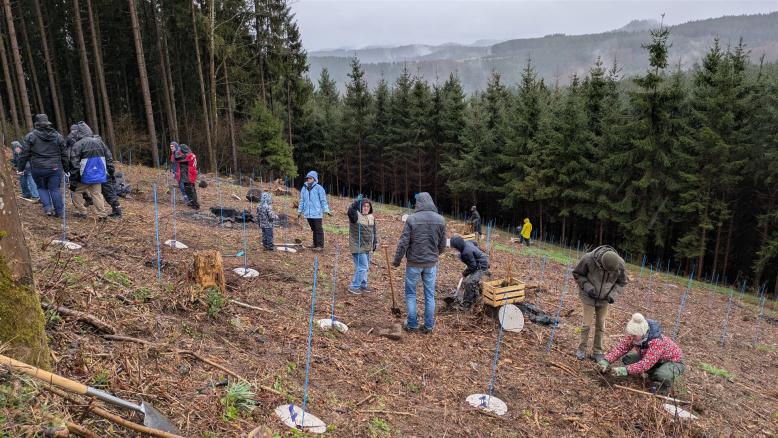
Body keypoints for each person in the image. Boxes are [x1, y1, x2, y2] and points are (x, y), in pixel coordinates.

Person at [392, 192, 446, 333]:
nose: (416, 205)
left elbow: (403, 243)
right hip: (431, 264)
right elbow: (442, 245)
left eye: (416, 202)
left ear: (420, 203)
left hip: (414, 263)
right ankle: (428, 326)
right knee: (429, 295)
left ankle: (412, 324)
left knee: (411, 294)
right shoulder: (440, 220)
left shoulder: (412, 219)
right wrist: (434, 255)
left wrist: (397, 261)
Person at [598, 313, 685, 394]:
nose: (631, 337)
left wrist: (626, 370)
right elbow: (621, 348)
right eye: (631, 335)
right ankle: (654, 372)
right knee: (628, 359)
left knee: (661, 375)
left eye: (634, 336)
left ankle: (663, 384)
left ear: (642, 333)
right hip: (654, 359)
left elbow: (645, 364)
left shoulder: (656, 342)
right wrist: (606, 360)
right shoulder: (634, 335)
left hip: (672, 362)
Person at [573, 245, 627, 361]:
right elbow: (577, 274)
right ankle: (581, 348)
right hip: (588, 296)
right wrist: (587, 287)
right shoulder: (588, 259)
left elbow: (622, 282)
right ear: (601, 264)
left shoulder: (620, 264)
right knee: (586, 324)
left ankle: (597, 351)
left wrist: (613, 295)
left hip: (604, 299)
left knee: (601, 325)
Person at [17, 114, 67, 217]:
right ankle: (60, 212)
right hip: (55, 167)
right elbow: (64, 154)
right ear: (48, 124)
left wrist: (20, 168)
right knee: (54, 189)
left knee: (41, 188)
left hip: (37, 167)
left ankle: (48, 208)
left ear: (36, 124)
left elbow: (24, 154)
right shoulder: (58, 136)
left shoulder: (30, 136)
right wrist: (67, 169)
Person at [68, 122, 112, 220]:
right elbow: (109, 158)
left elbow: (74, 163)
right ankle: (102, 215)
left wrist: (73, 179)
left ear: (79, 133)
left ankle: (82, 211)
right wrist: (111, 172)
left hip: (84, 176)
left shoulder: (78, 144)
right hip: (98, 175)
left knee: (75, 192)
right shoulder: (99, 142)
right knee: (97, 194)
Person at [347, 195, 378, 295]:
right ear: (360, 207)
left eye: (368, 206)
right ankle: (354, 286)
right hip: (357, 245)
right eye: (364, 206)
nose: (366, 208)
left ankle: (363, 285)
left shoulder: (371, 217)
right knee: (363, 267)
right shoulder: (356, 216)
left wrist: (375, 242)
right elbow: (350, 211)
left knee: (364, 266)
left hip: (367, 247)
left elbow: (373, 231)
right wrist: (356, 203)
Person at [448, 235, 489, 309]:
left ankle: (467, 304)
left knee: (470, 282)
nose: (453, 248)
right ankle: (474, 294)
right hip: (477, 262)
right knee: (467, 281)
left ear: (458, 245)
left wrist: (465, 273)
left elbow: (473, 267)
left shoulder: (466, 253)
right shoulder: (467, 243)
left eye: (454, 247)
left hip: (481, 266)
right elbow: (475, 243)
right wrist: (475, 254)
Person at [297, 170, 331, 251]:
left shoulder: (319, 188)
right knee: (313, 229)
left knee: (318, 229)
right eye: (307, 178)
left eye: (310, 178)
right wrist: (299, 211)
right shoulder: (304, 188)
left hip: (317, 213)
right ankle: (315, 244)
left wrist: (326, 210)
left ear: (315, 179)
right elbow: (302, 200)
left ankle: (320, 245)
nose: (308, 179)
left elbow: (323, 200)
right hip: (308, 213)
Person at [172, 143, 199, 209]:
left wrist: (176, 151)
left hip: (189, 174)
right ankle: (194, 203)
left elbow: (177, 158)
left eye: (181, 149)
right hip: (192, 173)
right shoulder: (192, 154)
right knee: (192, 188)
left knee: (189, 189)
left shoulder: (188, 155)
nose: (180, 151)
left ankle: (194, 204)